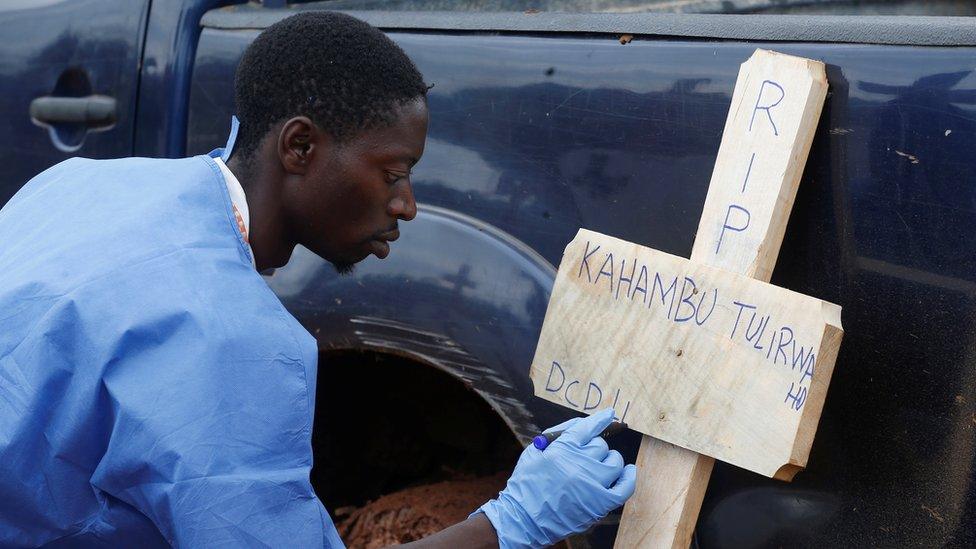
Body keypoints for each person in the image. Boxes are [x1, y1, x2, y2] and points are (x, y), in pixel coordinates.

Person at [0, 12, 636, 548]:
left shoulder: (83, 183)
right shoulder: (228, 341)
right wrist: (510, 522)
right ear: (299, 147)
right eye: (392, 172)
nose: (407, 204)